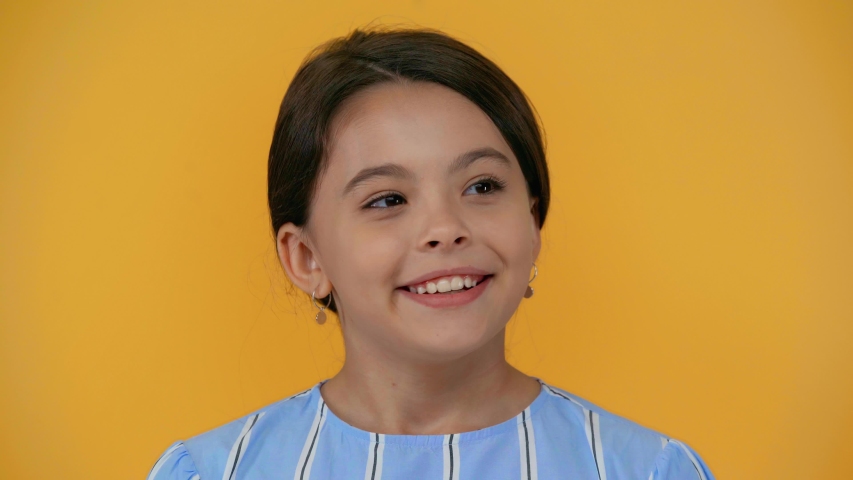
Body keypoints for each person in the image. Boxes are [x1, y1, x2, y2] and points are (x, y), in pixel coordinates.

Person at [147, 27, 714, 480]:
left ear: (532, 222)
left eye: (482, 186)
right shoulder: (215, 471)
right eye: (387, 199)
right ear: (306, 259)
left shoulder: (645, 469)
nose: (445, 229)